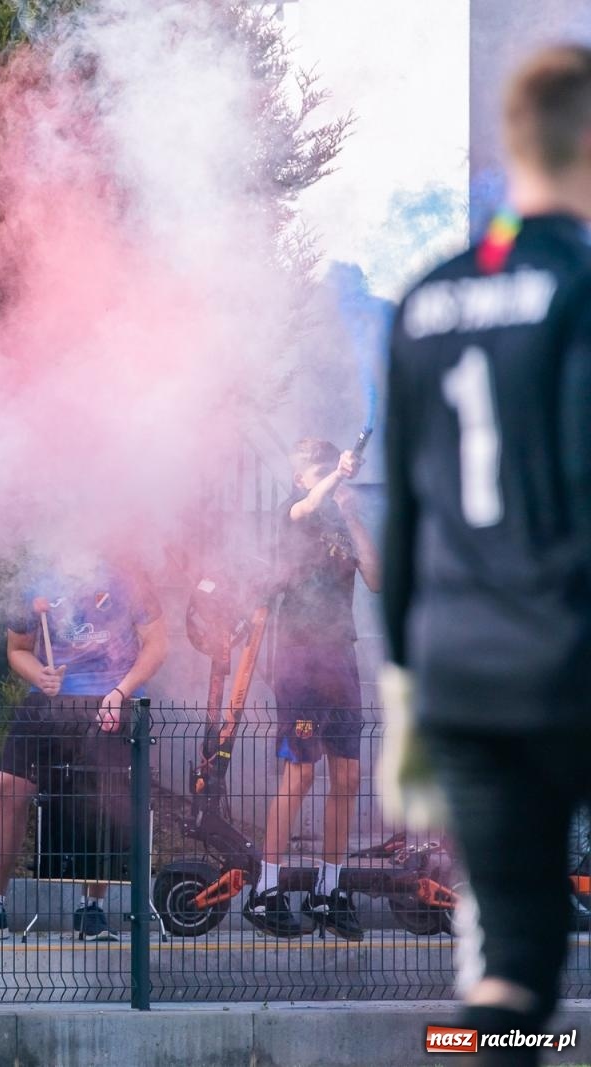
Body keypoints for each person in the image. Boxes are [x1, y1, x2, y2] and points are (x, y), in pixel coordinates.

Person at [381, 44, 591, 1067]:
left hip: (459, 671)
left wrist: (403, 686)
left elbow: (406, 518)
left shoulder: (427, 297)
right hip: (567, 645)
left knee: (509, 960)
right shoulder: (578, 285)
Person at [0, 559, 167, 942]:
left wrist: (122, 691)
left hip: (112, 699)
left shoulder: (129, 571)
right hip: (48, 701)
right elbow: (18, 648)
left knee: (103, 797)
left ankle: (91, 909)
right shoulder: (36, 576)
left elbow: (157, 643)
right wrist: (39, 674)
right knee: (6, 786)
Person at [242, 440, 380, 941]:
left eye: (332, 468)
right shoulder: (294, 511)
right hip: (300, 659)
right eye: (318, 471)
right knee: (300, 771)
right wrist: (336, 476)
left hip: (340, 657)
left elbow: (377, 579)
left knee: (348, 774)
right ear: (302, 478)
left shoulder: (342, 520)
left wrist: (355, 517)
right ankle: (265, 890)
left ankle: (329, 889)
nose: (328, 477)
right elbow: (308, 507)